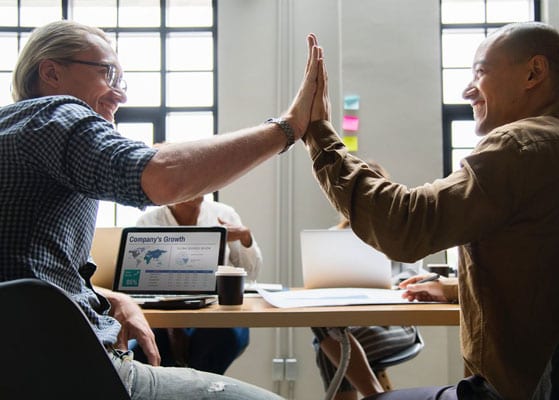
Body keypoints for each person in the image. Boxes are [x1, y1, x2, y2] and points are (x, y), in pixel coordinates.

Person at [0, 20, 322, 399]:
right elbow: (164, 177)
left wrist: (110, 297)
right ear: (51, 72)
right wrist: (288, 128)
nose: (119, 94)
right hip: (69, 372)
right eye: (108, 73)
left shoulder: (14, 131)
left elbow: (26, 273)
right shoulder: (55, 115)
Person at [303, 22, 559, 400]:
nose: (467, 89)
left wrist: (318, 133)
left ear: (533, 73)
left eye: (480, 72)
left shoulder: (517, 145)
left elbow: (405, 223)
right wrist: (457, 288)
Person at [311, 160, 418, 400]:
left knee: (328, 348)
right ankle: (377, 396)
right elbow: (321, 278)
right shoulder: (334, 237)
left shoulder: (400, 233)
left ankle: (375, 396)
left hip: (396, 325)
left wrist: (380, 283)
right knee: (325, 331)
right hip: (351, 323)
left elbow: (410, 280)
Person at [131, 193, 262, 373]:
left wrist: (245, 236)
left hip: (215, 313)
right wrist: (172, 326)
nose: (195, 188)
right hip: (164, 313)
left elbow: (251, 272)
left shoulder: (223, 214)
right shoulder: (148, 222)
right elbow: (142, 284)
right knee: (143, 346)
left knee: (222, 336)